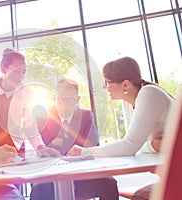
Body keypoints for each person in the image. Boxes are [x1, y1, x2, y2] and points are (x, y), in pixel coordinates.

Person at [67, 57, 176, 199]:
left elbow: (129, 146)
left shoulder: (149, 94)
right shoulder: (132, 102)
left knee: (140, 197)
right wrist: (152, 146)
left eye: (107, 82)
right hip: (172, 172)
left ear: (125, 84)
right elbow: (133, 146)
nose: (105, 87)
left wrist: (82, 152)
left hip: (176, 175)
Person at [30, 79, 119, 200]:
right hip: (51, 174)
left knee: (109, 182)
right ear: (53, 98)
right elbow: (45, 148)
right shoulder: (44, 117)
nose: (64, 105)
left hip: (81, 173)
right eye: (60, 100)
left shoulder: (87, 116)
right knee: (39, 188)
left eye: (70, 100)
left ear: (77, 99)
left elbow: (93, 146)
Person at [0, 48, 60, 158]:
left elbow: (29, 124)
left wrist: (40, 146)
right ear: (3, 69)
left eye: (24, 72)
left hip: (15, 147)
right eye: (17, 71)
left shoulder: (26, 93)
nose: (21, 76)